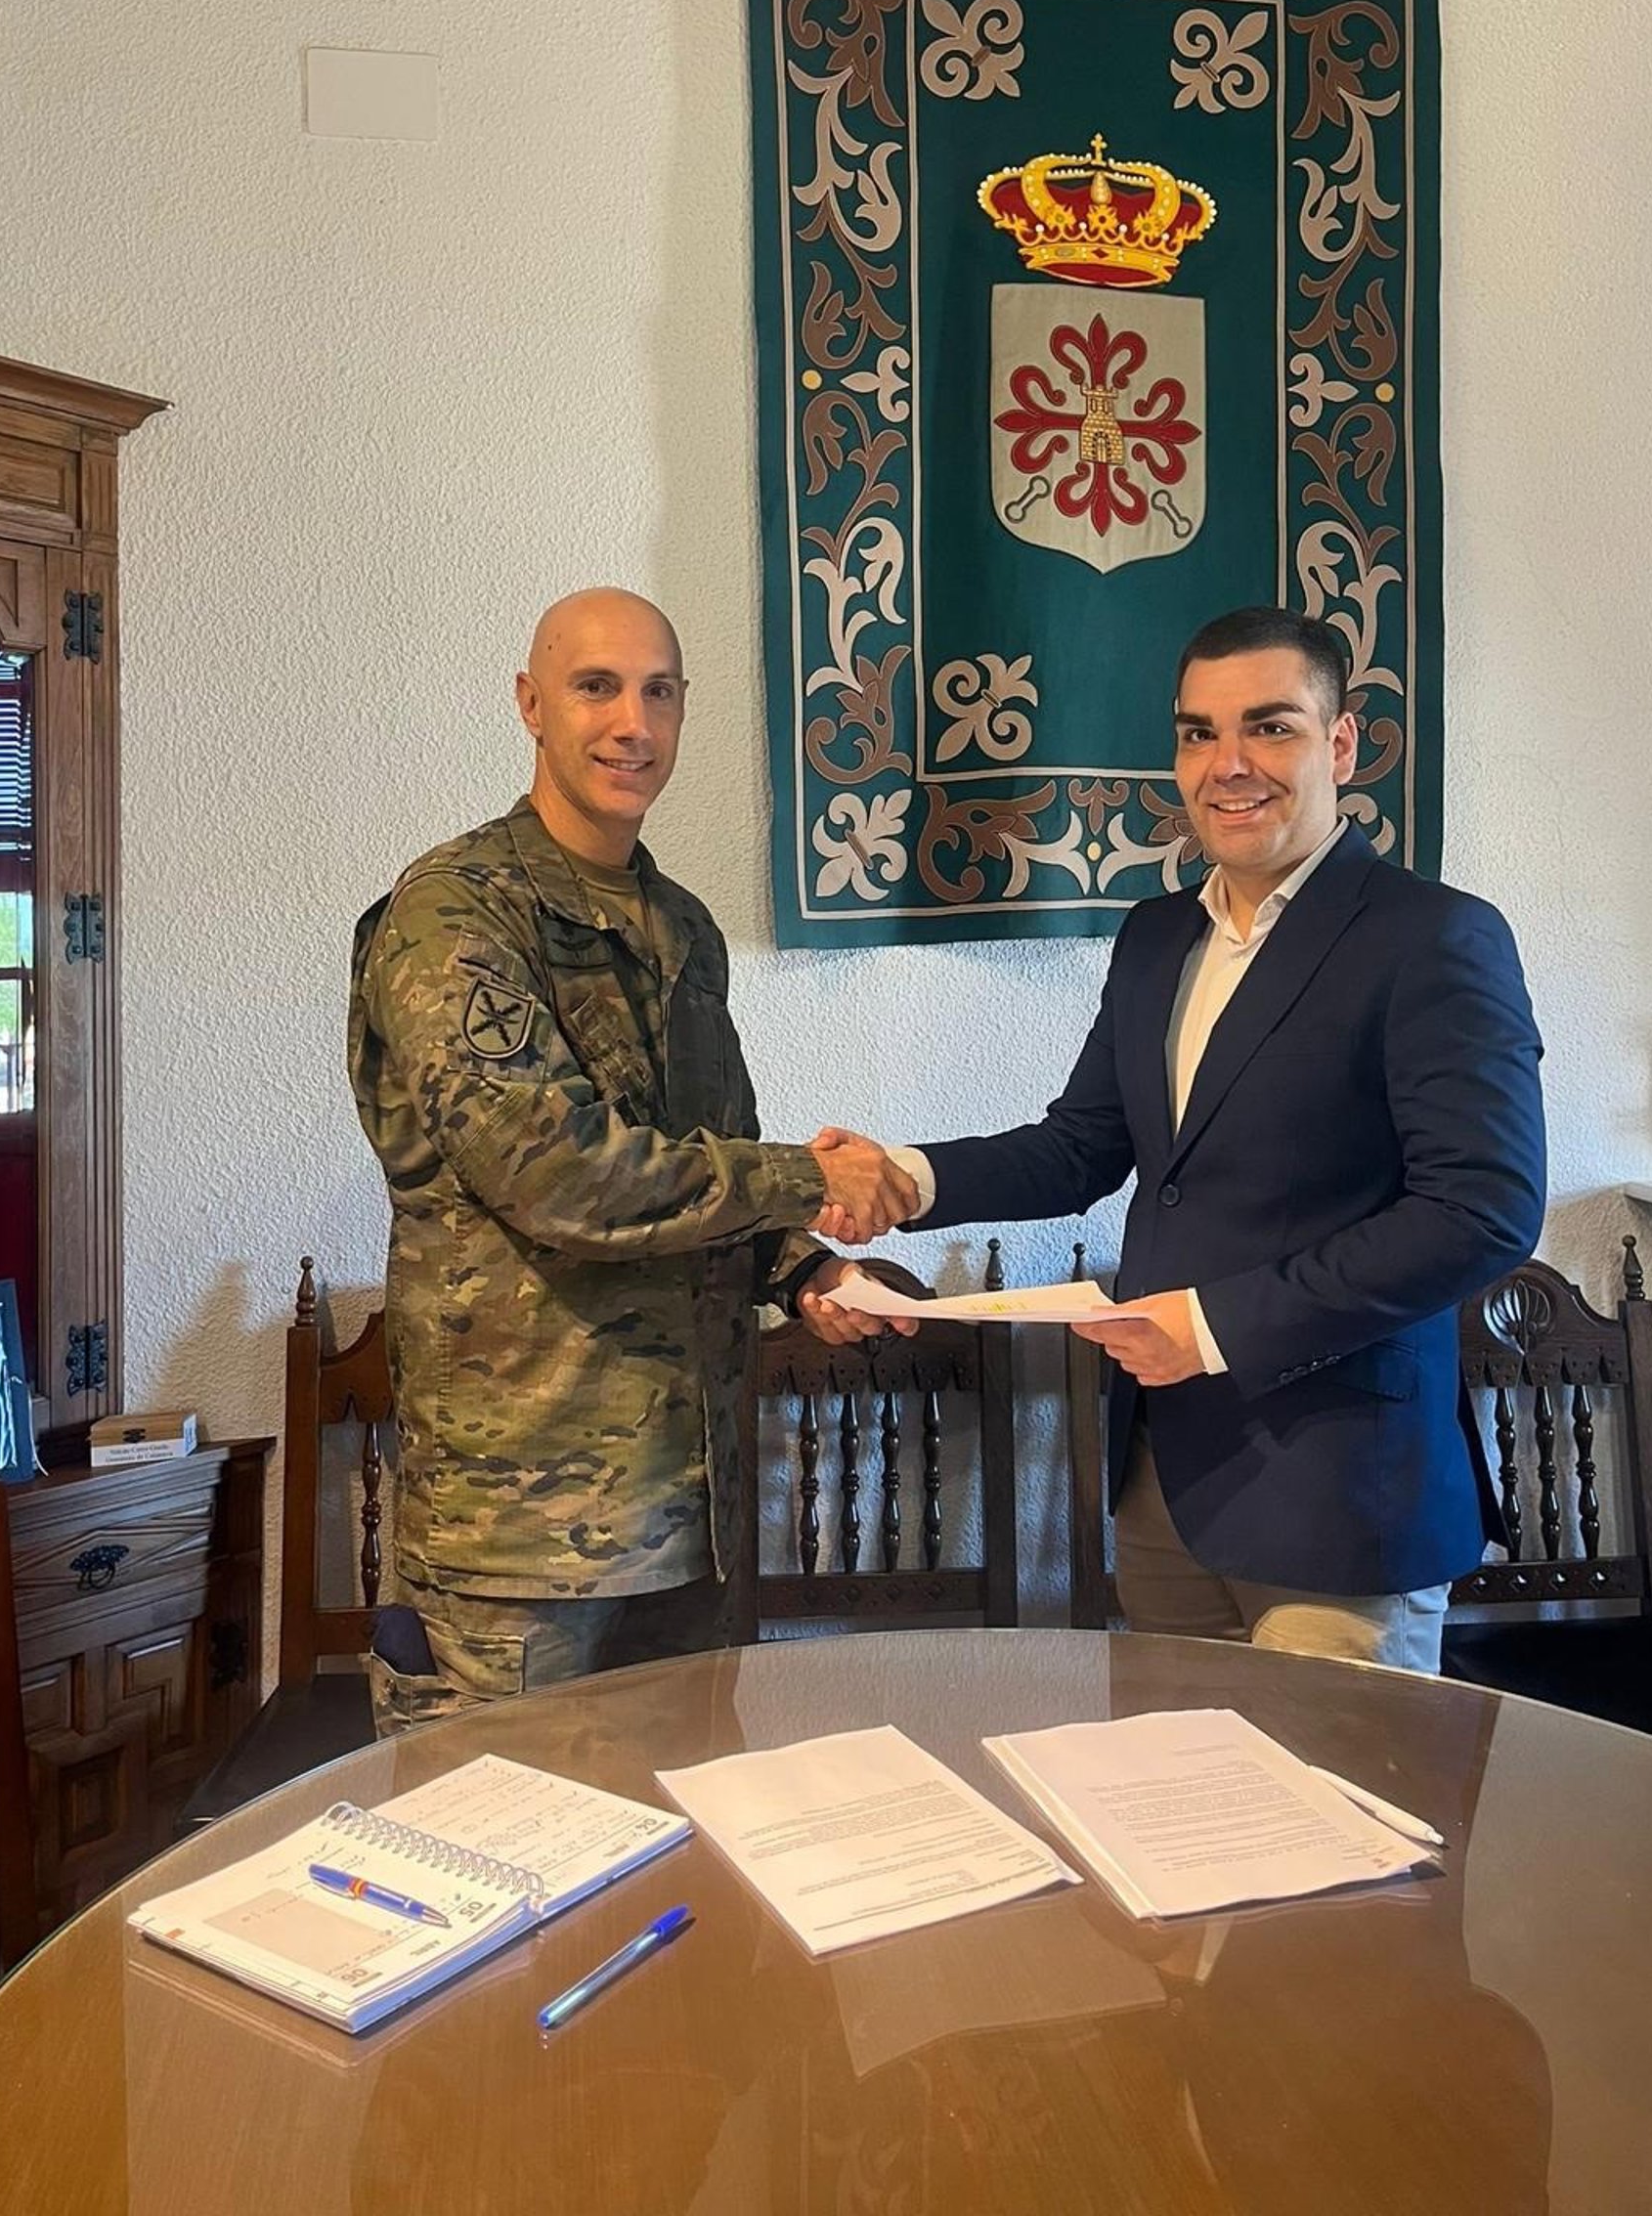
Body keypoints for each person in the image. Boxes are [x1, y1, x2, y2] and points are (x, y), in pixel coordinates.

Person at [813, 605, 1545, 1670]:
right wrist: (905, 1177)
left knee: (1319, 1785)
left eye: (1270, 727)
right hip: (1167, 1481)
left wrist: (1213, 1325)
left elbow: (1480, 1211)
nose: (1228, 764)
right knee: (1176, 1774)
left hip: (1342, 1494)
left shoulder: (1433, 936)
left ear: (1342, 744)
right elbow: (1081, 1145)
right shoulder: (1159, 936)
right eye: (1199, 733)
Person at [348, 589, 916, 1727]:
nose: (633, 723)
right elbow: (558, 1176)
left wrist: (805, 1271)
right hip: (521, 1543)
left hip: (692, 1516)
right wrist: (809, 1177)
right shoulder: (455, 914)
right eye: (597, 687)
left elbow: (703, 1171)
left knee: (689, 1828)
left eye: (660, 692)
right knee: (509, 1833)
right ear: (531, 704)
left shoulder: (683, 928)